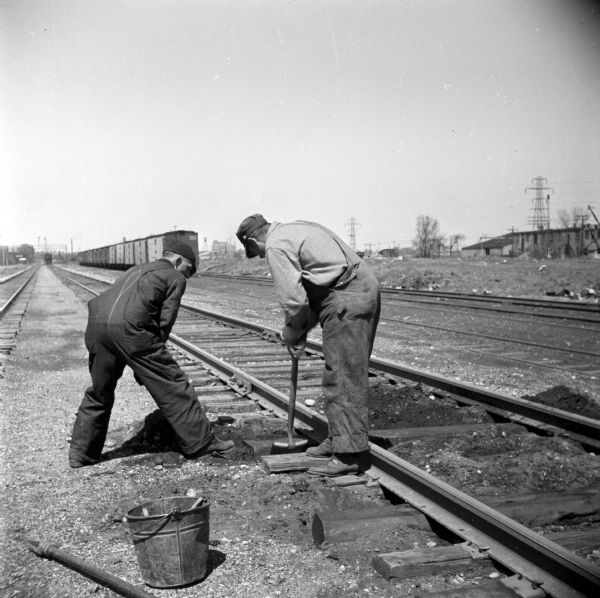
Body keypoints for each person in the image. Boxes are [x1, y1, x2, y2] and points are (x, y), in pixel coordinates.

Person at [236, 215, 381, 477]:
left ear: (252, 240)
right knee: (344, 369)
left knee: (342, 373)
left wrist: (291, 331)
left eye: (255, 252)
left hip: (346, 297)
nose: (260, 256)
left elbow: (294, 300)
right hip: (357, 289)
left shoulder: (275, 245)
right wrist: (303, 330)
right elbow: (318, 290)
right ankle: (341, 438)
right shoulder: (296, 228)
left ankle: (350, 455)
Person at [68, 240, 234, 468]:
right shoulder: (174, 277)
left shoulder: (134, 269)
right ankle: (200, 443)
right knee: (173, 383)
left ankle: (81, 455)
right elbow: (164, 323)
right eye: (188, 270)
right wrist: (148, 366)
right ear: (177, 261)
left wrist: (140, 364)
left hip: (97, 326)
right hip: (130, 330)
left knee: (99, 391)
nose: (188, 277)